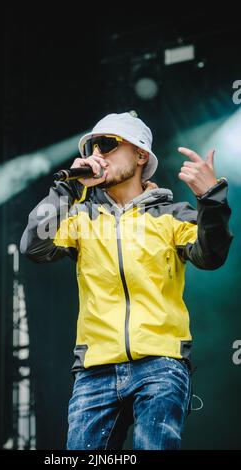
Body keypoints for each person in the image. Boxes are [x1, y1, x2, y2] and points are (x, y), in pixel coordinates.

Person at [20, 111, 233, 450]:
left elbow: (212, 255)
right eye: (91, 147)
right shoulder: (80, 217)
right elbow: (34, 246)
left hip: (160, 364)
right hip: (94, 370)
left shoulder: (172, 215)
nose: (96, 155)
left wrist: (211, 200)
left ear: (140, 154)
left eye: (107, 145)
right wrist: (67, 189)